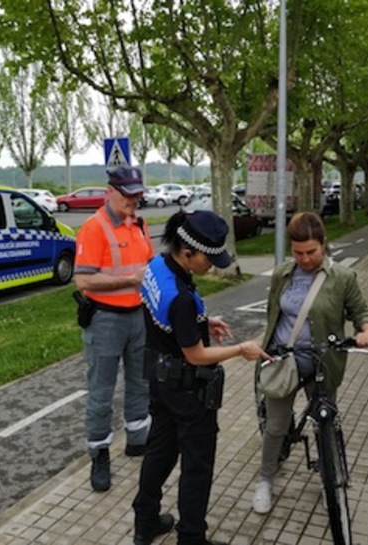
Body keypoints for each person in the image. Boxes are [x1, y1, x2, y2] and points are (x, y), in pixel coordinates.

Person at [132, 210, 271, 545]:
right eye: (209, 258)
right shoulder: (180, 299)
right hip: (186, 390)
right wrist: (241, 349)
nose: (212, 265)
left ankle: (145, 522)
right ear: (188, 252)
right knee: (197, 465)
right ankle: (191, 537)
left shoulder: (157, 266)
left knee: (159, 453)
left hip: (159, 380)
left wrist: (203, 322)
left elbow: (167, 320)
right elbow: (194, 354)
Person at [252, 211, 368, 515]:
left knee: (326, 422)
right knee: (277, 425)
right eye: (298, 253)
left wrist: (367, 330)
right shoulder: (283, 273)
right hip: (284, 360)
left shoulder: (343, 278)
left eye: (311, 252)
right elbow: (274, 315)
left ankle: (329, 480)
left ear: (323, 244)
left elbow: (362, 312)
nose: (305, 259)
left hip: (324, 361)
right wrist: (264, 348)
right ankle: (266, 480)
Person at [73, 165, 155, 492]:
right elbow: (84, 280)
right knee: (101, 391)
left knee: (141, 382)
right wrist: (130, 280)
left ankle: (137, 439)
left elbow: (148, 266)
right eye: (128, 196)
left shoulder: (140, 224)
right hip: (105, 319)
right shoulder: (94, 228)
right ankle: (99, 453)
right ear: (110, 192)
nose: (134, 201)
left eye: (137, 195)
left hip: (138, 316)